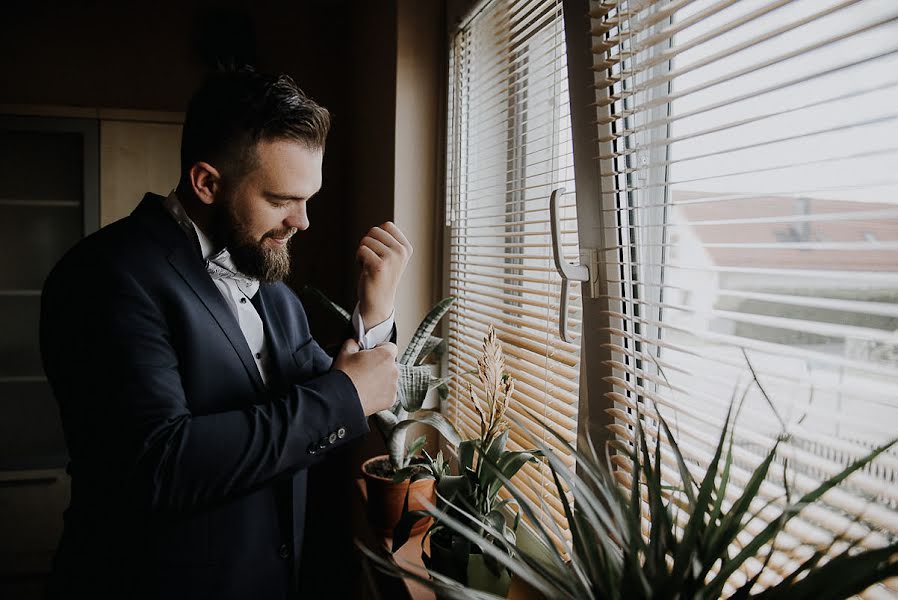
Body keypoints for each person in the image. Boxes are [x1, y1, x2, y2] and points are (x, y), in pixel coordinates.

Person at [39, 68, 411, 599]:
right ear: (207, 182)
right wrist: (342, 396)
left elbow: (325, 399)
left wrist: (375, 313)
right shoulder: (105, 277)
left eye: (309, 198)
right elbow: (159, 464)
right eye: (283, 199)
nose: (302, 222)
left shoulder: (272, 286)